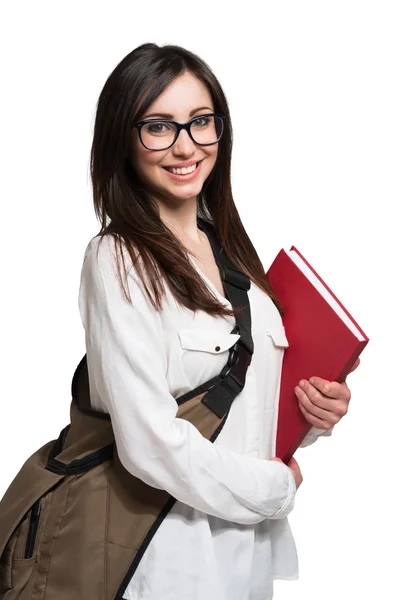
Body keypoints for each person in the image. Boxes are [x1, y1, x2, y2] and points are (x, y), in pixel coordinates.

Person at [79, 42, 359, 600]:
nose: (186, 146)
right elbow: (148, 443)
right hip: (167, 558)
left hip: (247, 558)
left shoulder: (232, 252)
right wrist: (274, 487)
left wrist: (318, 410)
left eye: (201, 121)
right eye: (158, 126)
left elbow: (250, 403)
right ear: (122, 138)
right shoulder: (118, 258)